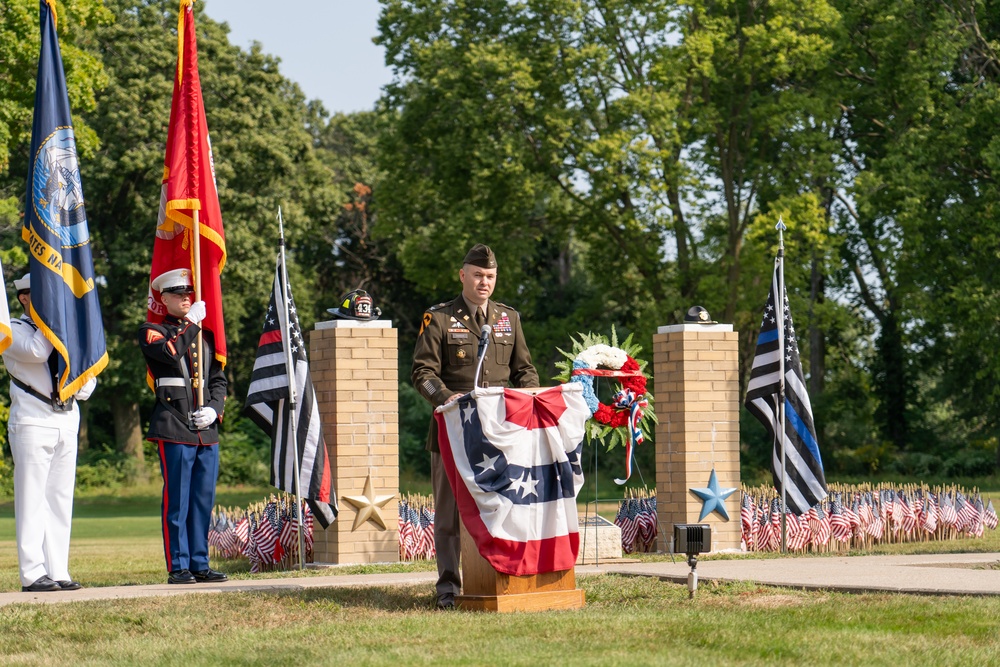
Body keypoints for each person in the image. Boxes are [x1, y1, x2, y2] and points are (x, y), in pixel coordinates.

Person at [411, 243, 539, 609]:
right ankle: (448, 588)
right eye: (479, 275)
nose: (485, 282)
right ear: (463, 275)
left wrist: (529, 400)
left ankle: (502, 578)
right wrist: (445, 399)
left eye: (491, 277)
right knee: (450, 516)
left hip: (499, 434)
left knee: (504, 509)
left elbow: (524, 370)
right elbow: (422, 372)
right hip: (453, 433)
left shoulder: (508, 318)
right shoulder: (438, 318)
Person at [4, 274, 96, 592]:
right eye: (42, 296)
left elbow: (87, 379)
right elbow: (37, 352)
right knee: (32, 499)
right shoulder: (11, 329)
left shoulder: (62, 330)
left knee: (59, 499)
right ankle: (32, 573)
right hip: (32, 420)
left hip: (66, 419)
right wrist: (54, 320)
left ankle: (58, 570)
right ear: (24, 298)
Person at [139, 268, 228, 585]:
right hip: (174, 424)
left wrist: (214, 410)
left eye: (189, 293)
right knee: (178, 501)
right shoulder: (152, 331)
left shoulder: (206, 336)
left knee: (203, 501)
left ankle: (200, 563)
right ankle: (178, 566)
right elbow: (169, 352)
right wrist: (191, 325)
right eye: (178, 294)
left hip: (206, 429)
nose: (186, 298)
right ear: (164, 299)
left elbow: (218, 382)